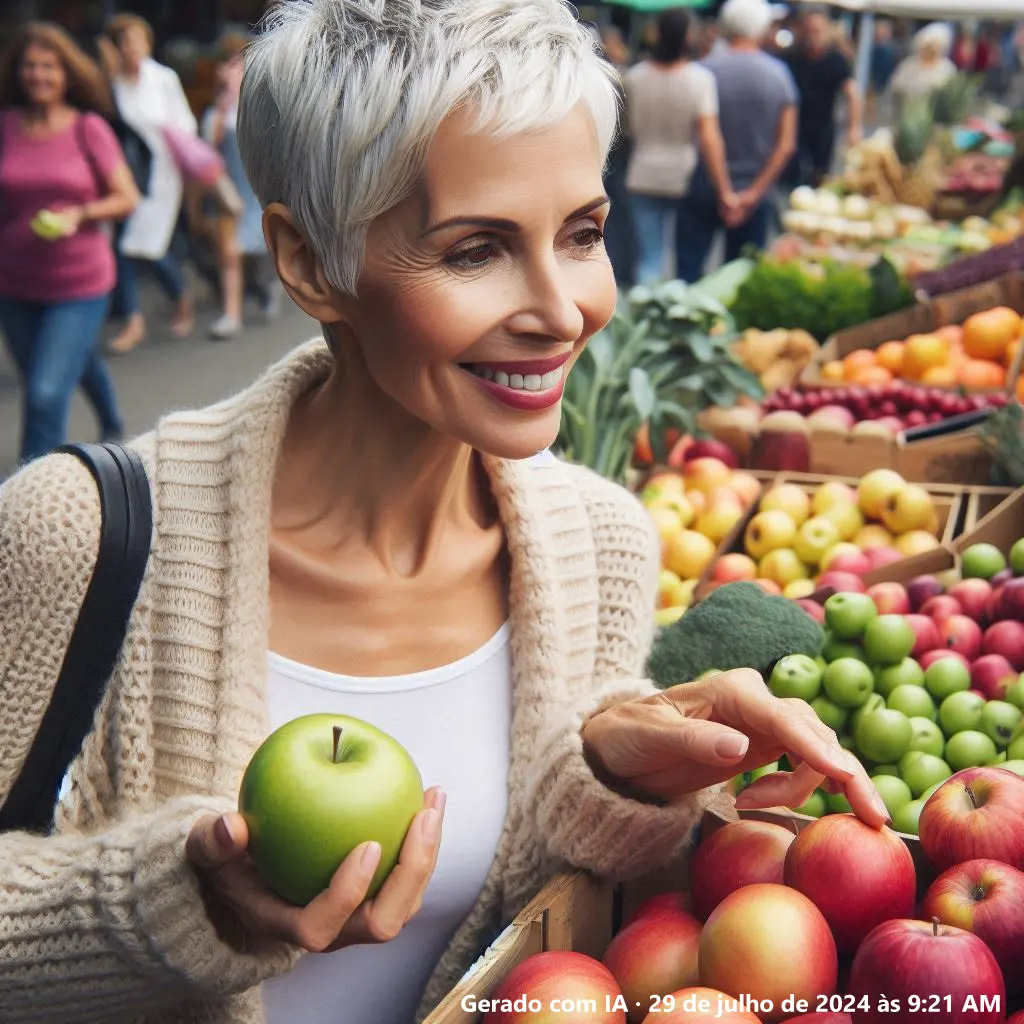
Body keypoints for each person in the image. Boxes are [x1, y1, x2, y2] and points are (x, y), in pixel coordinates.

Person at [0, 3, 883, 1024]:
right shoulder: (77, 533)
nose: (561, 311)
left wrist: (603, 773)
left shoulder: (601, 543)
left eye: (583, 233)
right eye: (475, 249)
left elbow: (553, 917)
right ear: (306, 260)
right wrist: (176, 904)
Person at [0, 22, 136, 464]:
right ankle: (113, 417)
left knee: (43, 392)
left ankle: (24, 497)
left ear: (66, 73)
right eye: (30, 66)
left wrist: (79, 213)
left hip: (80, 283)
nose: (38, 75)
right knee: (60, 364)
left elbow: (126, 196)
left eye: (48, 66)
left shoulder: (88, 128)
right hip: (15, 283)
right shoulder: (6, 127)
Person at [675, 0, 798, 282]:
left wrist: (723, 191)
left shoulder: (703, 69)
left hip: (702, 183)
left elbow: (699, 134)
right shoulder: (779, 75)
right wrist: (753, 193)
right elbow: (786, 143)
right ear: (763, 28)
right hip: (755, 189)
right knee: (740, 279)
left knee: (687, 274)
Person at [105, 13, 197, 354]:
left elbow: (184, 123)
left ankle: (180, 296)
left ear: (147, 43)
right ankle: (135, 320)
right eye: (124, 42)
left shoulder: (163, 79)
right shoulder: (113, 85)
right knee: (126, 248)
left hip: (162, 173)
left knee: (150, 246)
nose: (131, 48)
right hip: (128, 176)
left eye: (136, 40)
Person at [623, 7, 731, 284]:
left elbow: (627, 129)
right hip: (686, 176)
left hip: (642, 172)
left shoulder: (635, 76)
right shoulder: (701, 79)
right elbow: (709, 138)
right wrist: (723, 188)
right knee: (687, 257)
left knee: (650, 256)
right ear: (688, 36)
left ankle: (644, 318)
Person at [200, 33, 282, 339]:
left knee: (264, 248)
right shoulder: (215, 114)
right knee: (231, 254)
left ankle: (267, 287)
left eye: (239, 63)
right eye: (229, 63)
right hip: (231, 194)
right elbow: (206, 154)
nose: (233, 70)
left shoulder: (264, 106)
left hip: (258, 188)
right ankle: (231, 314)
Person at [784, 6, 862, 188]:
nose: (813, 36)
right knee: (791, 175)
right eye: (809, 30)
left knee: (820, 176)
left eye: (817, 31)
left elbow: (852, 92)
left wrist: (854, 126)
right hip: (795, 126)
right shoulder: (792, 58)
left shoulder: (836, 60)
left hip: (823, 127)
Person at [889, 23, 957, 118]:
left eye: (936, 46)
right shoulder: (909, 65)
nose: (932, 49)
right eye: (928, 46)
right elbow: (896, 86)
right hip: (908, 112)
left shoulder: (947, 68)